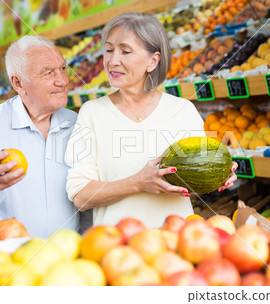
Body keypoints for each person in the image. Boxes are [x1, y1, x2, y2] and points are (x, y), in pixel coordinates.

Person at [65, 13, 238, 228]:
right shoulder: (92, 113)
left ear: (153, 60)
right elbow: (81, 197)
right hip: (116, 248)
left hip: (178, 244)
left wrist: (220, 174)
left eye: (125, 51)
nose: (112, 60)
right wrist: (137, 183)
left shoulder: (182, 110)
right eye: (109, 50)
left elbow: (198, 176)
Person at [0, 35, 88, 238]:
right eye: (48, 73)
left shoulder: (76, 123)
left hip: (66, 258)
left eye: (63, 68)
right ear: (18, 83)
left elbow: (86, 195)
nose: (63, 80)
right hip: (10, 259)